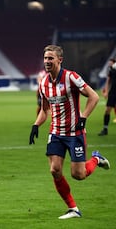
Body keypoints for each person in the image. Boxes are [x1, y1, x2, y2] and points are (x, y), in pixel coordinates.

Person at [29, 45, 110, 219]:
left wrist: (84, 117)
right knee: (54, 170)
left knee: (78, 175)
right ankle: (73, 208)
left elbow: (93, 96)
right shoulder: (43, 83)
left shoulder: (71, 77)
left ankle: (96, 158)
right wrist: (36, 125)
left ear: (60, 60)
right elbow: (45, 110)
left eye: (51, 58)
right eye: (45, 58)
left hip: (75, 133)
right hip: (56, 133)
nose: (47, 61)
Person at [98, 58, 116, 136]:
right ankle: (105, 129)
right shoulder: (111, 69)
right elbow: (108, 81)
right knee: (107, 110)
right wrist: (106, 92)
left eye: (110, 62)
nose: (109, 64)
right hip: (112, 92)